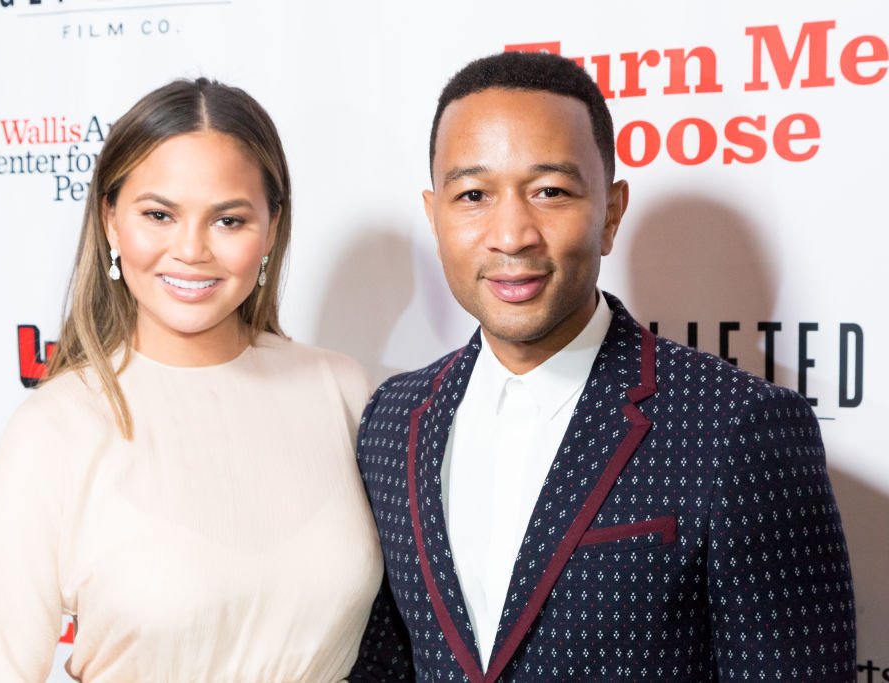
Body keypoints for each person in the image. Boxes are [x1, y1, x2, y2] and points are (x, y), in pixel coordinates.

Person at [350, 52, 856, 682]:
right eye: (473, 195)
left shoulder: (736, 426)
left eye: (550, 192)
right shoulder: (393, 418)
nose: (511, 235)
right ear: (435, 216)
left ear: (611, 212)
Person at [0, 78, 382, 682]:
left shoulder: (341, 391)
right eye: (158, 214)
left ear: (271, 227)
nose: (190, 250)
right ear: (110, 219)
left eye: (228, 220)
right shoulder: (57, 426)